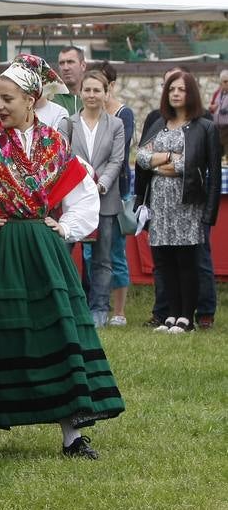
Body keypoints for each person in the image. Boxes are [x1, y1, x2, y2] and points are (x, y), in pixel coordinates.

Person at [0, 55, 124, 459]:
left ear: (31, 99)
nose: (0, 106)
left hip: (42, 250)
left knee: (54, 330)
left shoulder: (53, 144)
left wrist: (67, 227)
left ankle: (72, 434)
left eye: (8, 99)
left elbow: (84, 191)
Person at [134, 70, 220, 333]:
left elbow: (199, 166)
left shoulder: (204, 127)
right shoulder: (158, 123)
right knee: (164, 260)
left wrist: (164, 160)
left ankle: (186, 318)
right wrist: (168, 160)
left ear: (190, 93)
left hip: (188, 204)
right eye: (171, 89)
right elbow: (141, 157)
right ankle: (170, 315)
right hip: (159, 204)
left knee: (186, 261)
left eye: (181, 89)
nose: (175, 93)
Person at [57, 70, 126, 328]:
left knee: (103, 258)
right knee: (64, 253)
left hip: (105, 199)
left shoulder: (116, 125)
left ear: (107, 93)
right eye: (87, 90)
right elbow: (62, 158)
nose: (92, 95)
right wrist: (81, 186)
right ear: (80, 92)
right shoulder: (68, 123)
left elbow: (117, 160)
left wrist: (101, 185)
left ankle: (99, 309)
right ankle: (68, 306)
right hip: (73, 201)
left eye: (97, 90)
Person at [98, 62, 136, 326]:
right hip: (90, 190)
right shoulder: (84, 114)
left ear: (110, 86)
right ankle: (98, 303)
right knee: (92, 252)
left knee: (115, 251)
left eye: (101, 86)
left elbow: (118, 154)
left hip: (116, 188)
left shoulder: (125, 114)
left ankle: (119, 311)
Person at [53, 45, 86, 116]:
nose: (65, 68)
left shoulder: (92, 96)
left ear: (83, 66)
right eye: (61, 63)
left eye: (70, 62)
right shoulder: (51, 98)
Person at [209, 68, 228, 156]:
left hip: (227, 128)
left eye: (226, 81)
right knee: (218, 154)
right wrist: (212, 108)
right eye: (223, 82)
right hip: (217, 128)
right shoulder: (217, 93)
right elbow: (212, 107)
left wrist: (219, 108)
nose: (224, 84)